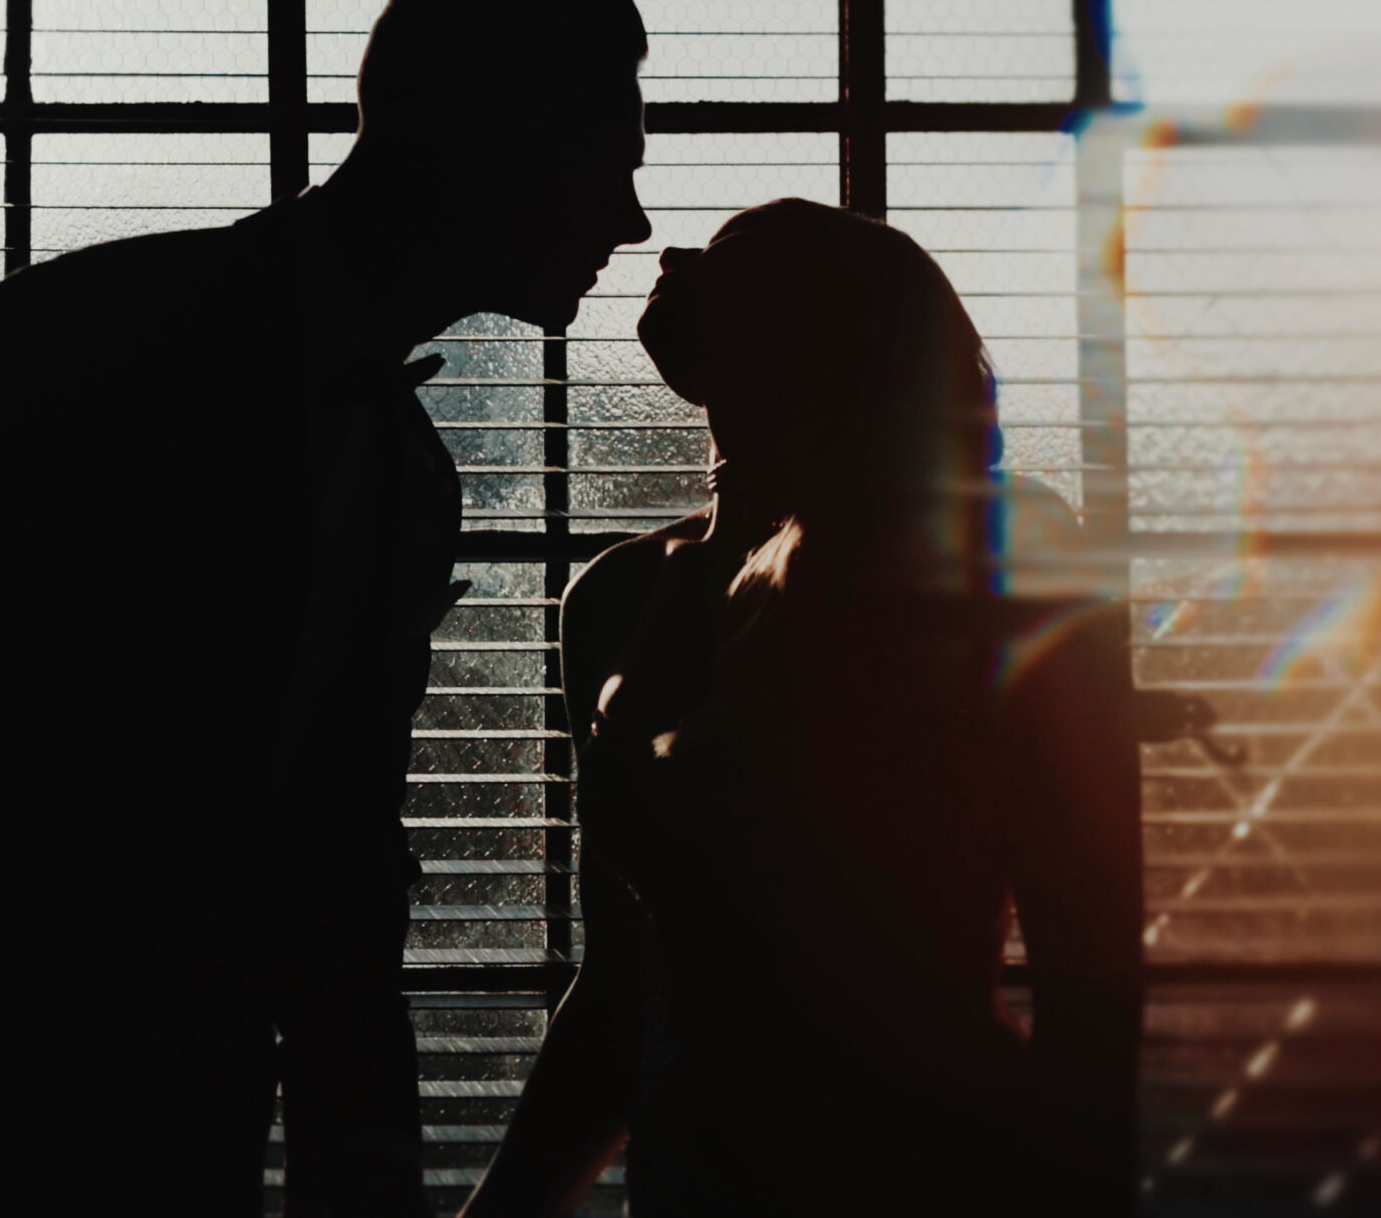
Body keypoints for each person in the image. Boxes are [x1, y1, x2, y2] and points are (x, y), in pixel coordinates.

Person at [0, 0, 652, 1215]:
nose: (629, 220)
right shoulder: (293, 425)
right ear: (491, 147)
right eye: (610, 163)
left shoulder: (117, 337)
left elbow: (336, 856)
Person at [460, 200, 1145, 1216]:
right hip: (704, 1175)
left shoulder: (999, 563)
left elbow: (1089, 954)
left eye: (733, 257)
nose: (676, 254)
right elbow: (622, 984)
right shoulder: (616, 593)